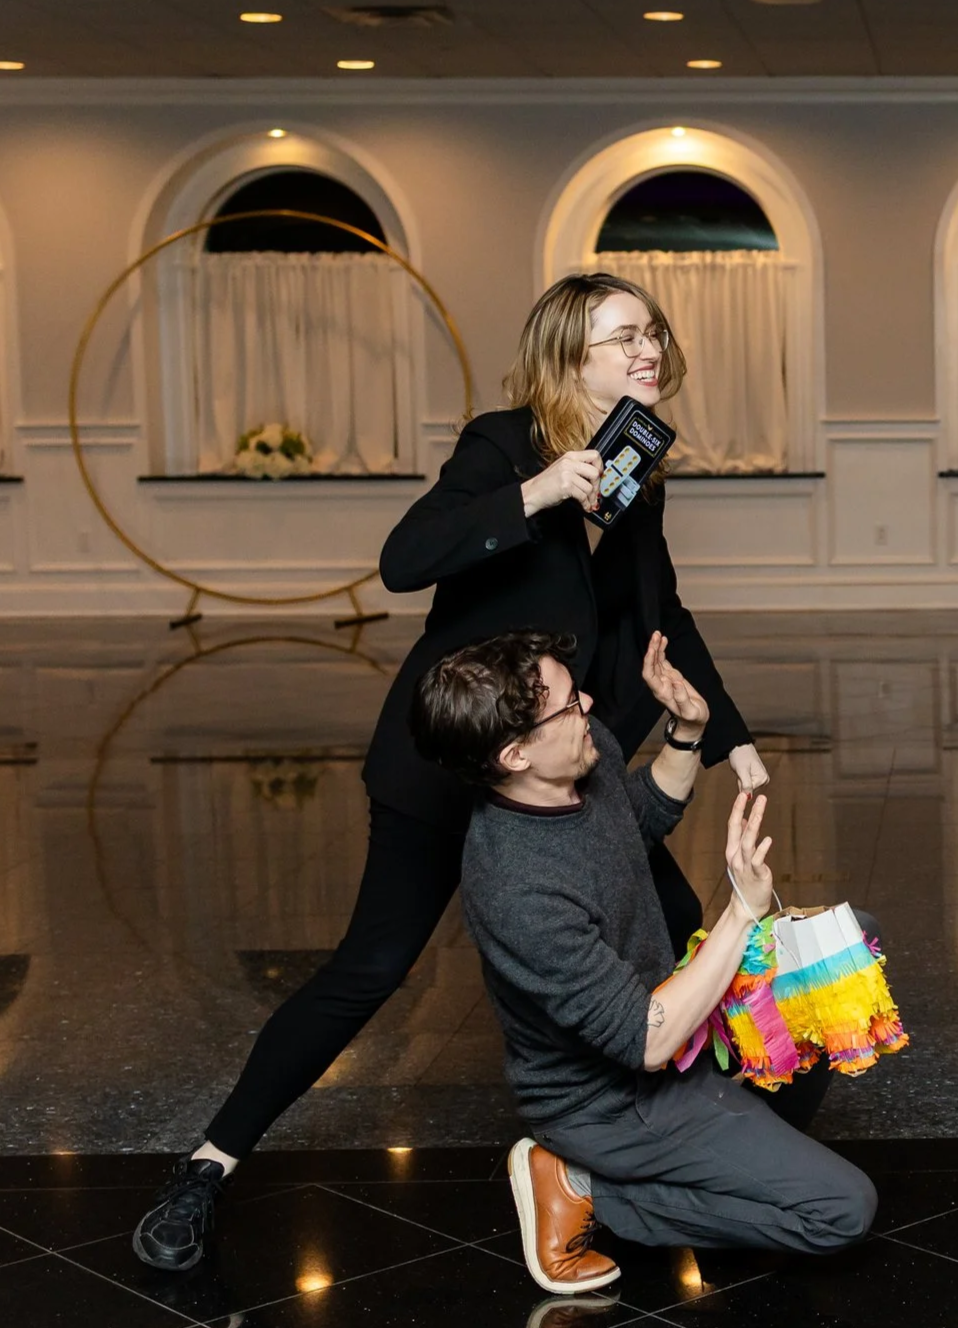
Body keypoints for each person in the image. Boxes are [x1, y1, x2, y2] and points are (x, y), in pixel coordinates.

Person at [132, 273, 771, 1272]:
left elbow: (665, 612)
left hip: (564, 762)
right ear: (569, 357)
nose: (647, 348)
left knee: (677, 918)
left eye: (651, 331)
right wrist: (537, 492)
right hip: (450, 759)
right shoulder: (501, 444)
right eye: (621, 337)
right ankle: (209, 1164)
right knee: (372, 967)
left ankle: (656, 1152)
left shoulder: (639, 460)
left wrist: (729, 736)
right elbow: (404, 558)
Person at [412, 628, 876, 1290]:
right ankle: (584, 1186)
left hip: (672, 1023)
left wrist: (686, 733)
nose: (588, 705)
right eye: (568, 705)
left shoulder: (580, 750)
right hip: (613, 1101)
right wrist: (741, 913)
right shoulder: (516, 887)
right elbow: (646, 1042)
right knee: (840, 1211)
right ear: (514, 754)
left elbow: (630, 821)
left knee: (837, 946)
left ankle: (740, 1150)